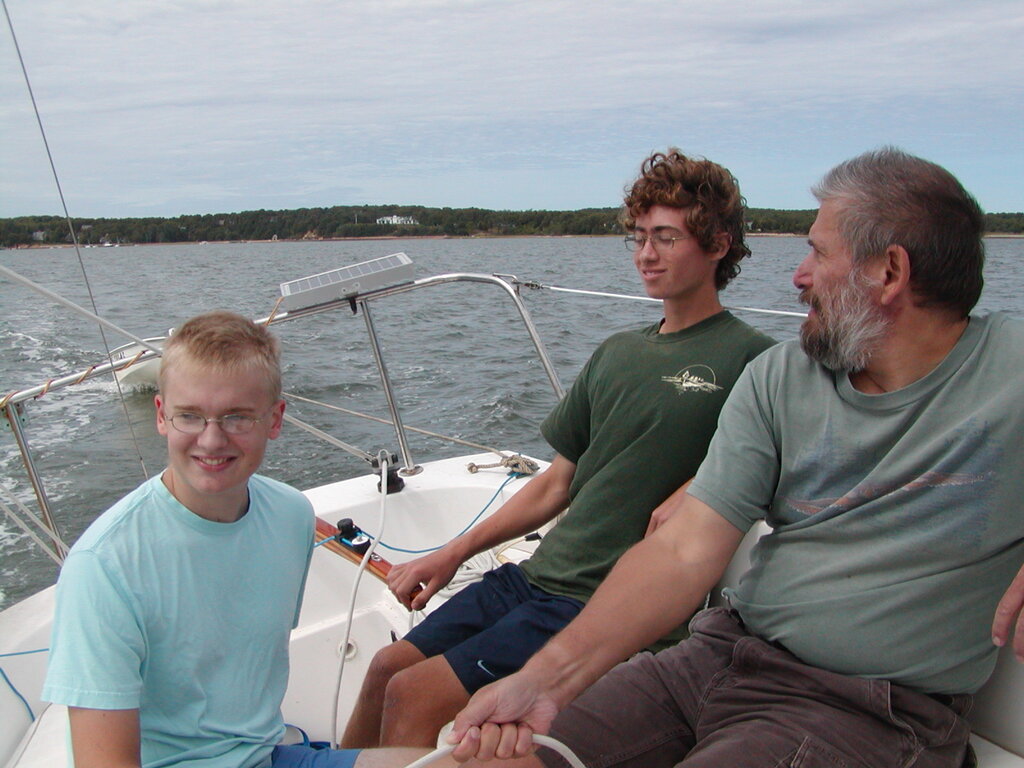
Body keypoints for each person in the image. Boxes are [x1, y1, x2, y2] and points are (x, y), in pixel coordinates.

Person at [422, 147, 1024, 768]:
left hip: (867, 710)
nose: (798, 276)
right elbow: (684, 550)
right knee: (474, 763)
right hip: (714, 661)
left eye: (818, 252)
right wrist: (547, 680)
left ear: (889, 271)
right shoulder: (780, 377)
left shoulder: (1010, 371)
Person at [341, 150, 776, 749]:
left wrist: (696, 488)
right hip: (535, 576)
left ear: (719, 244)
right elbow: (553, 484)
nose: (646, 254)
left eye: (667, 238)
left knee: (413, 696)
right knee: (387, 670)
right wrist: (450, 554)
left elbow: (776, 456)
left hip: (599, 601)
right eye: (640, 237)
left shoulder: (754, 360)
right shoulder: (617, 352)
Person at [41, 311, 343, 768]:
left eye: (237, 418)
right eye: (190, 416)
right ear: (161, 416)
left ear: (275, 419)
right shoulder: (104, 566)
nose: (211, 439)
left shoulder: (291, 515)